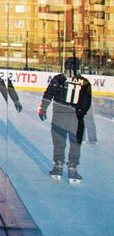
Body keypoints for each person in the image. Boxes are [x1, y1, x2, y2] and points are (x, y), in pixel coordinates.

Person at [38, 56, 96, 184]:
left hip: (59, 115)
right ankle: (72, 168)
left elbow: (48, 95)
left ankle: (58, 166)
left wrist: (43, 108)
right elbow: (87, 103)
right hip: (75, 116)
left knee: (59, 141)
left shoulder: (58, 79)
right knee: (74, 143)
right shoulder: (84, 82)